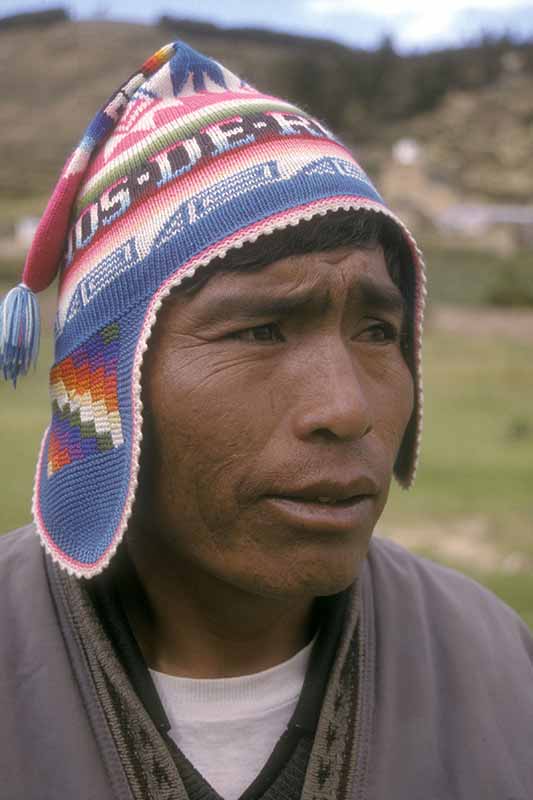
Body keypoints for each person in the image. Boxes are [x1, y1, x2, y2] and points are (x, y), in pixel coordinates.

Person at [0, 40, 531, 800]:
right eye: (261, 330)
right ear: (103, 387)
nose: (346, 409)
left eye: (377, 331)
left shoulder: (498, 665)